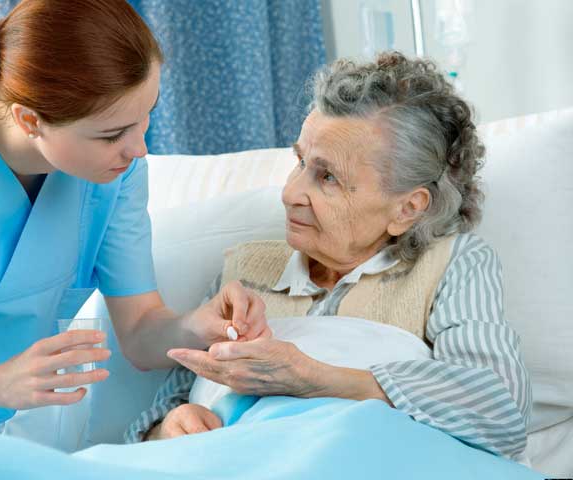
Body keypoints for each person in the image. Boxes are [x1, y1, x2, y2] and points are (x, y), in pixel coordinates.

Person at [0, 0, 267, 451]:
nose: (139, 148)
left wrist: (195, 327)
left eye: (145, 115)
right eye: (112, 134)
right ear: (30, 120)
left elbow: (141, 332)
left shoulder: (115, 175)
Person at [127, 52, 532, 461]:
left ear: (407, 208)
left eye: (327, 177)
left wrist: (312, 378)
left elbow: (500, 409)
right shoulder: (243, 271)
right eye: (300, 161)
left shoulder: (451, 264)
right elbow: (155, 420)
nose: (290, 193)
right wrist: (170, 429)